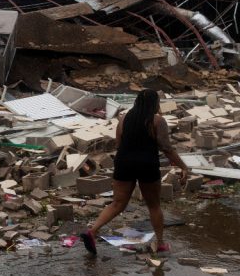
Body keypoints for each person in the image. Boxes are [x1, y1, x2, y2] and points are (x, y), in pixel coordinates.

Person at [80, 89, 188, 255]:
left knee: (117, 203)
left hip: (124, 163)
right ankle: (160, 243)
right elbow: (166, 147)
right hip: (147, 164)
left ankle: (92, 231)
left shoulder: (123, 119)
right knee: (154, 205)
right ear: (155, 104)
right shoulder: (158, 121)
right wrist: (183, 166)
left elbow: (118, 144)